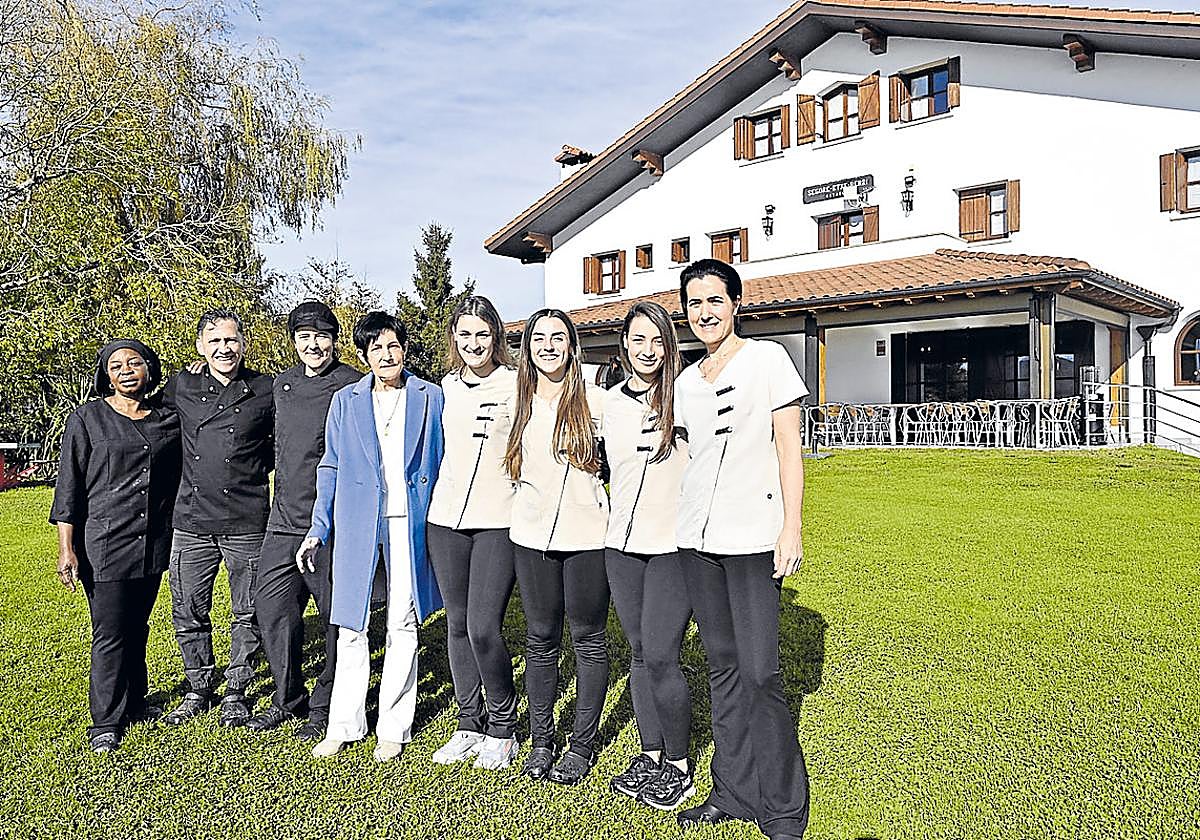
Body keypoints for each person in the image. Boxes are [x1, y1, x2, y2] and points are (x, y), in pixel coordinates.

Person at [672, 259, 811, 839]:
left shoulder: (769, 361)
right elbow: (687, 459)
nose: (704, 312)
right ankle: (731, 792)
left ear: (734, 304)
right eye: (694, 303)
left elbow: (788, 451)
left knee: (759, 674)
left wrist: (792, 527)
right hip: (697, 542)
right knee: (723, 670)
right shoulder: (684, 382)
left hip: (754, 537)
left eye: (714, 300)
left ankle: (783, 808)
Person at [298, 311, 444, 762]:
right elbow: (332, 465)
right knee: (350, 626)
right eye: (376, 347)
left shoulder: (430, 397)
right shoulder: (346, 401)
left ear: (405, 349)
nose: (386, 354)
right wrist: (319, 527)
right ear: (363, 354)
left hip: (409, 522)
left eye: (393, 345)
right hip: (359, 523)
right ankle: (345, 724)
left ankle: (393, 728)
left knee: (403, 622)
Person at [50, 339, 182, 752]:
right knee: (110, 631)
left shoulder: (167, 418)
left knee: (137, 626)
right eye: (116, 365)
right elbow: (68, 487)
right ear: (105, 374)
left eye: (135, 363)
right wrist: (66, 548)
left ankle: (136, 702)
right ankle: (105, 721)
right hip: (104, 543)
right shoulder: (87, 419)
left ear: (149, 369)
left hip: (153, 541)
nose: (126, 370)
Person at [243, 302, 362, 739]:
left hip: (332, 523)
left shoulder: (352, 385)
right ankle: (287, 698)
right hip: (283, 522)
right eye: (304, 336)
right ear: (293, 341)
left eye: (322, 335)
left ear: (335, 338)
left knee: (334, 617)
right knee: (274, 610)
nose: (313, 344)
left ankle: (325, 704)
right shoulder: (283, 385)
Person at [505, 308, 610, 785]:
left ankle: (582, 745)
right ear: (527, 347)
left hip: (587, 538)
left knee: (588, 640)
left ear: (572, 345)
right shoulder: (517, 402)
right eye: (538, 338)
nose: (548, 346)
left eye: (558, 338)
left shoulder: (598, 402)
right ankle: (542, 741)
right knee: (540, 640)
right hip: (530, 538)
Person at [603, 302, 696, 810]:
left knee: (662, 653)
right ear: (625, 344)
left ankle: (678, 763)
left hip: (671, 546)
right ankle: (650, 752)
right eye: (638, 340)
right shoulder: (609, 404)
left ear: (669, 346)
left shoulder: (687, 399)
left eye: (657, 341)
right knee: (639, 654)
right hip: (619, 546)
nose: (647, 351)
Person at [161, 310, 274, 728]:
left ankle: (237, 689)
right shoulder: (182, 385)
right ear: (200, 348)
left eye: (232, 340)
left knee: (248, 610)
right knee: (188, 607)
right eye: (215, 342)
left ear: (243, 342)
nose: (225, 349)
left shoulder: (264, 388)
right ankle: (198, 686)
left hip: (246, 518)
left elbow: (283, 441)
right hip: (191, 519)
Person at [425, 296, 521, 770]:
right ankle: (469, 722)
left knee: (484, 627)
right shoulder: (446, 388)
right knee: (457, 626)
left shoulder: (515, 383)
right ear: (454, 340)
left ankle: (504, 729)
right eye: (464, 335)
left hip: (497, 519)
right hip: (445, 522)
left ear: (496, 337)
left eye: (482, 334)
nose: (473, 344)